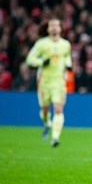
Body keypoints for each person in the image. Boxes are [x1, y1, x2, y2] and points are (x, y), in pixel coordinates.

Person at [26, 19, 72, 147]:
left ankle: (55, 137)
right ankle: (47, 123)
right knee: (45, 110)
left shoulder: (66, 44)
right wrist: (41, 62)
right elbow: (30, 58)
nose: (54, 28)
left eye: (57, 25)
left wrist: (69, 65)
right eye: (51, 25)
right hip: (44, 81)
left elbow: (67, 56)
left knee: (58, 109)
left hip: (59, 81)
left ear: (61, 29)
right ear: (47, 29)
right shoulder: (41, 44)